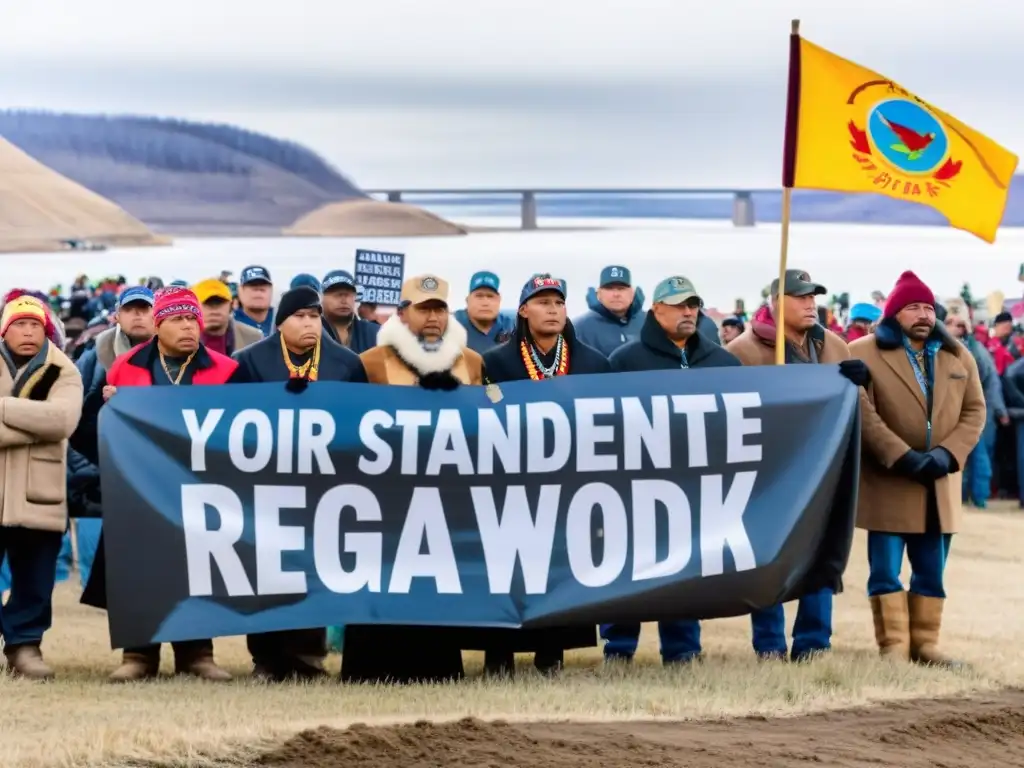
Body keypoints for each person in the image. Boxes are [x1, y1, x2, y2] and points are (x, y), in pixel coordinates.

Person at [71, 287, 238, 682]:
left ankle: (197, 653)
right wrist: (108, 409)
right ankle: (138, 654)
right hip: (140, 490)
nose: (188, 327)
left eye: (193, 319)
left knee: (199, 568)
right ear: (159, 325)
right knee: (138, 568)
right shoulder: (124, 368)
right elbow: (84, 429)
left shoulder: (227, 370)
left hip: (201, 488)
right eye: (178, 319)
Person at [341, 274, 482, 684]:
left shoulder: (471, 362)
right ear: (403, 315)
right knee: (380, 575)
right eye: (424, 309)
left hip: (446, 493)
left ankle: (437, 669)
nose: (433, 318)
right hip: (385, 496)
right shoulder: (368, 362)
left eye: (440, 309)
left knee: (436, 577)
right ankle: (371, 669)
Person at [727, 268, 866, 662]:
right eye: (801, 297)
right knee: (768, 558)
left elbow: (854, 408)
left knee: (821, 554)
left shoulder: (836, 346)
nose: (811, 303)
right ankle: (769, 645)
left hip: (823, 471)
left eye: (813, 297)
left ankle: (814, 643)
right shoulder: (743, 351)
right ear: (776, 303)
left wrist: (860, 384)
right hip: (767, 474)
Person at [849, 271, 984, 667]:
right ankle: (892, 648)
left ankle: (925, 646)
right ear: (894, 313)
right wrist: (901, 455)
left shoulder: (958, 354)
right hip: (890, 479)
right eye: (913, 307)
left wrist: (948, 454)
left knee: (931, 570)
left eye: (927, 307)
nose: (923, 314)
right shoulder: (862, 352)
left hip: (940, 481)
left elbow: (975, 412)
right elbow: (863, 411)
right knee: (886, 571)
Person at [230, 287, 365, 680]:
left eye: (314, 316)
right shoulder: (250, 362)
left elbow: (362, 422)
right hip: (265, 484)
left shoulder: (346, 364)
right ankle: (267, 659)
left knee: (314, 569)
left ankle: (307, 658)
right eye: (300, 317)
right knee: (267, 571)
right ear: (281, 322)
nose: (309, 323)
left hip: (325, 485)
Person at [603, 277, 740, 665]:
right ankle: (619, 648)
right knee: (628, 566)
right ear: (655, 310)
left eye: (693, 304)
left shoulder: (723, 362)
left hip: (695, 488)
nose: (688, 312)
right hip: (636, 486)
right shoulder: (624, 363)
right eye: (679, 304)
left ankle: (682, 650)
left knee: (683, 568)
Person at [480, 274, 608, 676]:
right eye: (542, 302)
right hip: (510, 483)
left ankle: (551, 654)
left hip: (569, 484)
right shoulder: (496, 362)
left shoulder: (591, 363)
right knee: (508, 570)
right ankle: (499, 655)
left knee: (558, 568)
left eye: (558, 303)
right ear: (523, 310)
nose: (552, 309)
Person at [0, 294, 83, 679]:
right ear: (5, 329)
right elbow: (44, 423)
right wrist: (33, 423)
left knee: (35, 577)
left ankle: (25, 646)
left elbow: (61, 420)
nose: (29, 331)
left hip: (40, 494)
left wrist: (3, 406)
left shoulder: (61, 369)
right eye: (20, 324)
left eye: (36, 324)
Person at [68, 286, 157, 588]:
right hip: (101, 462)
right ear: (117, 315)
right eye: (131, 310)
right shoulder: (94, 358)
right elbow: (73, 412)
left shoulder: (174, 356)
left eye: (144, 309)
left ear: (156, 315)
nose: (138, 316)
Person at [943, 311, 1006, 509]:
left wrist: (999, 411)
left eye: (957, 323)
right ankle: (961, 496)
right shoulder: (944, 348)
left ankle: (977, 497)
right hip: (956, 410)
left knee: (978, 456)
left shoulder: (974, 351)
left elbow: (990, 381)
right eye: (949, 322)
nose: (954, 326)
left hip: (975, 411)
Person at [572, 265, 645, 357]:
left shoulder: (651, 322)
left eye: (621, 288)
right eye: (609, 288)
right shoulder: (578, 328)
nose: (616, 294)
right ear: (598, 293)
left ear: (632, 292)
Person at [193, 278, 262, 356]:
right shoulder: (181, 339)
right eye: (207, 303)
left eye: (219, 302)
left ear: (230, 305)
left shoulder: (253, 338)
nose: (214, 309)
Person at [454, 271, 515, 354]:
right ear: (467, 300)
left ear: (499, 300)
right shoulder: (453, 323)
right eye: (479, 296)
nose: (485, 303)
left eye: (490, 296)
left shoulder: (511, 326)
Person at [320, 270, 379, 354]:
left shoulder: (374, 333)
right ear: (322, 298)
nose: (343, 300)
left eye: (348, 294)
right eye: (337, 294)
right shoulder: (311, 333)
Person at [234, 265, 275, 336]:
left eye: (263, 285)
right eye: (252, 285)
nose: (259, 290)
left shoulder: (283, 322)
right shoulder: (229, 325)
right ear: (240, 291)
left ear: (271, 290)